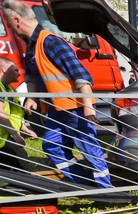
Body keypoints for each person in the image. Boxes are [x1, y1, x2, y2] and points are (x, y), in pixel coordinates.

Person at [2, 0, 112, 188]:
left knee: (88, 148)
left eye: (9, 25)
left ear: (17, 21)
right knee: (52, 147)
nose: (11, 30)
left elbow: (81, 75)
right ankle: (86, 185)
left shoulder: (50, 41)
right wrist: (31, 97)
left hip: (75, 107)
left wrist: (87, 108)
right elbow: (33, 76)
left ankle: (106, 190)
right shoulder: (32, 46)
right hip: (56, 109)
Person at [0, 57, 36, 172]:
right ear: (4, 69)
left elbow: (14, 114)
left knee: (14, 164)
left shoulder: (10, 89)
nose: (19, 73)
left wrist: (25, 129)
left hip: (6, 136)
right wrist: (15, 134)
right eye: (15, 70)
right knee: (21, 162)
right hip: (5, 137)